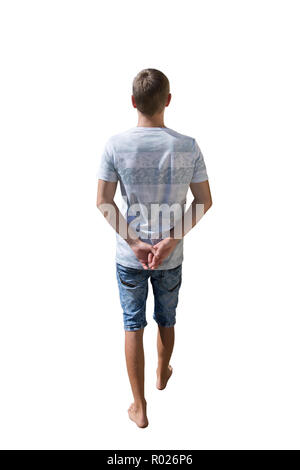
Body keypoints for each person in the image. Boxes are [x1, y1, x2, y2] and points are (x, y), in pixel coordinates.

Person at [96, 68, 212, 428]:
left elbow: (102, 201)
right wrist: (171, 240)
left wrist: (134, 241)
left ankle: (139, 406)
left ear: (133, 102)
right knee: (167, 317)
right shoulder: (187, 145)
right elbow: (204, 201)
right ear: (168, 101)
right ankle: (162, 371)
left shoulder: (115, 145)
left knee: (133, 325)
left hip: (130, 256)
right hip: (169, 256)